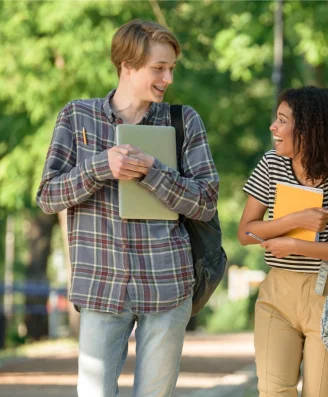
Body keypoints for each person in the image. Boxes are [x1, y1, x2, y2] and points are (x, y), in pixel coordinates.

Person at [35, 20, 219, 397]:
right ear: (127, 65)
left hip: (168, 285)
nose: (168, 78)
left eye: (171, 69)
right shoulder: (77, 117)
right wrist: (99, 167)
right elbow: (48, 197)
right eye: (158, 68)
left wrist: (153, 171)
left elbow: (205, 202)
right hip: (101, 286)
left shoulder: (183, 121)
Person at [238, 86, 328, 397]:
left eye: (283, 120)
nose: (274, 127)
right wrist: (292, 223)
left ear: (312, 130)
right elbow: (245, 233)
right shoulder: (271, 164)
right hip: (277, 295)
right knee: (274, 392)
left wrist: (297, 246)